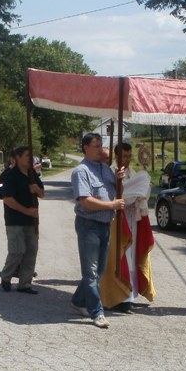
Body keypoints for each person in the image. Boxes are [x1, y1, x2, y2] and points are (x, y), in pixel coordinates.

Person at [70, 133, 125, 329]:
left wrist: (119, 179)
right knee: (91, 272)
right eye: (96, 146)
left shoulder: (105, 169)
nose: (100, 149)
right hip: (89, 225)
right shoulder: (81, 171)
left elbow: (116, 190)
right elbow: (85, 201)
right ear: (85, 147)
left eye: (101, 145)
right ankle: (97, 312)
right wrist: (112, 205)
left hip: (104, 224)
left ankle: (78, 300)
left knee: (98, 270)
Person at [100, 142, 156, 312]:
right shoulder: (109, 171)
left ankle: (129, 293)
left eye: (129, 156)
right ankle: (117, 296)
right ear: (116, 156)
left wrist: (139, 194)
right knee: (118, 256)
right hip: (116, 220)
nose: (127, 159)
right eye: (124, 156)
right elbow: (112, 194)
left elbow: (140, 192)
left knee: (131, 257)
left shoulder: (132, 173)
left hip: (132, 217)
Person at [0, 146, 45, 294]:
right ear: (18, 157)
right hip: (15, 220)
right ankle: (6, 276)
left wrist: (36, 190)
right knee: (17, 251)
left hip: (32, 221)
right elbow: (7, 199)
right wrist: (27, 211)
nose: (30, 158)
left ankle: (25, 284)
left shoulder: (32, 174)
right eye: (27, 155)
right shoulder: (10, 175)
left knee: (31, 251)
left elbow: (42, 193)